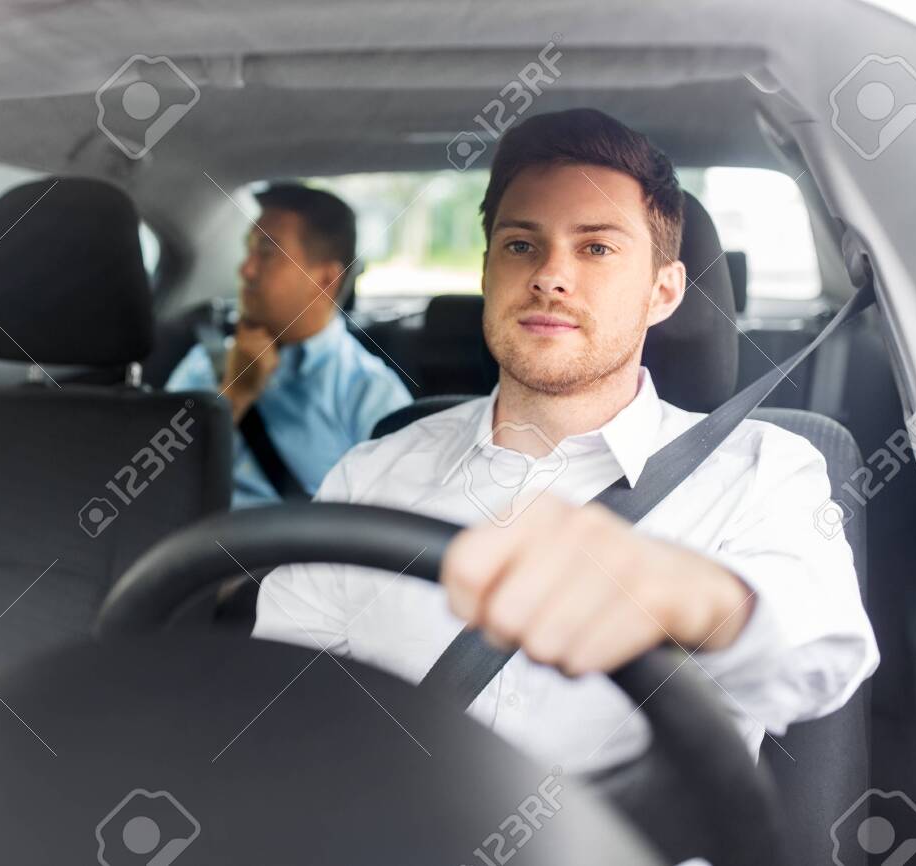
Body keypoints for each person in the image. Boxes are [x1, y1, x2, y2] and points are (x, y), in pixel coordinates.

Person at [253, 109, 878, 771]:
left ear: (664, 291)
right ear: (488, 274)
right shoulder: (369, 474)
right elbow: (287, 710)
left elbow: (820, 659)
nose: (550, 275)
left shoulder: (761, 470)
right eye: (521, 244)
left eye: (597, 247)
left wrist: (692, 595)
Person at [167, 183, 412, 507]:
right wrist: (234, 395)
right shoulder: (203, 363)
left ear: (325, 279)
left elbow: (393, 528)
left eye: (267, 253)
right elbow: (153, 486)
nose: (246, 269)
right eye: (249, 250)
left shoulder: (370, 394)